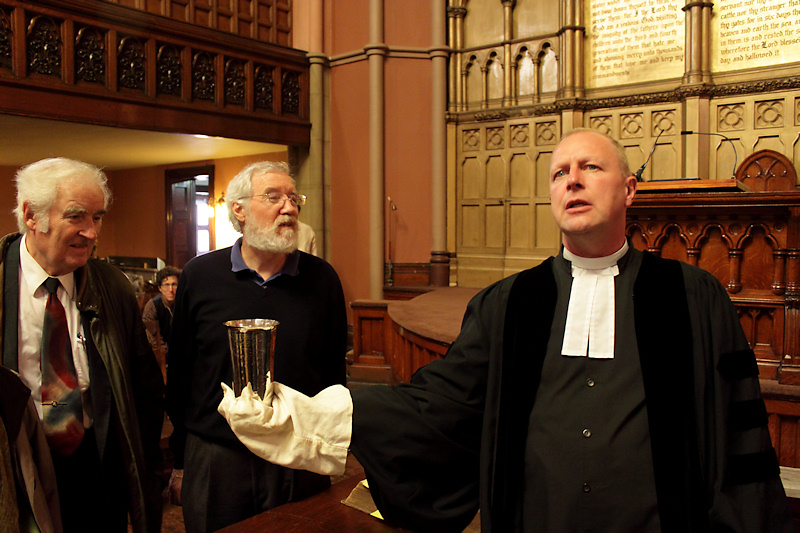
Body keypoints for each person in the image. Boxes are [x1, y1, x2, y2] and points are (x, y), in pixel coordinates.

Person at [218, 129, 794, 532]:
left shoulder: (691, 297)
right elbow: (440, 407)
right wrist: (319, 418)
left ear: (628, 189)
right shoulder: (512, 304)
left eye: (591, 168)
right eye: (560, 173)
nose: (572, 181)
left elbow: (736, 441)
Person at [165, 160, 347, 533]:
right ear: (239, 209)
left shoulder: (322, 279)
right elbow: (182, 371)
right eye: (274, 197)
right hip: (218, 453)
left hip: (296, 451)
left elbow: (333, 375)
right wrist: (180, 458)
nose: (289, 208)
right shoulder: (200, 276)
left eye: (294, 199)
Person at [0, 157, 165, 532]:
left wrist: (145, 475)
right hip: (17, 468)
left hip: (96, 468)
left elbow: (145, 393)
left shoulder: (112, 287)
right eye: (76, 216)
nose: (91, 232)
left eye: (98, 217)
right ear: (31, 215)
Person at [142, 265, 180, 352]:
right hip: (161, 352)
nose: (170, 290)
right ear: (160, 288)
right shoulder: (152, 306)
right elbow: (153, 339)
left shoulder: (183, 304)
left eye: (174, 285)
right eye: (166, 285)